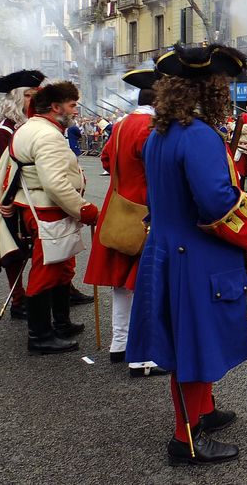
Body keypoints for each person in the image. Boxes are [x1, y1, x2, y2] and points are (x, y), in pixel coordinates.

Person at [126, 44, 247, 465]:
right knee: (193, 344)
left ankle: (204, 410)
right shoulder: (200, 136)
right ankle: (185, 438)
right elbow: (217, 202)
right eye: (221, 84)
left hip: (170, 248)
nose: (224, 91)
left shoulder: (162, 133)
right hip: (196, 256)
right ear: (209, 89)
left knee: (195, 339)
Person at [84, 69, 166, 377]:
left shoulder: (120, 125)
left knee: (122, 282)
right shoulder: (150, 128)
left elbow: (106, 160)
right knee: (145, 280)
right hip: (143, 209)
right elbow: (159, 167)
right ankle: (142, 357)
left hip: (117, 204)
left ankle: (120, 343)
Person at [9, 81, 100, 353]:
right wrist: (83, 209)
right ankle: (40, 336)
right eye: (71, 105)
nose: (74, 110)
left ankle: (61, 323)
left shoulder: (33, 127)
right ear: (55, 107)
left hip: (43, 208)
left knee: (60, 266)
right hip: (47, 210)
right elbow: (55, 184)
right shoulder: (47, 135)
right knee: (46, 271)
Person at [0, 69, 45, 319]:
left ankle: (61, 289)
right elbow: (5, 175)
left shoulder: (28, 126)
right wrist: (8, 203)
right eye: (29, 96)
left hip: (32, 196)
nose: (34, 101)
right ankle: (18, 299)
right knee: (14, 251)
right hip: (12, 198)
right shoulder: (4, 131)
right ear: (17, 98)